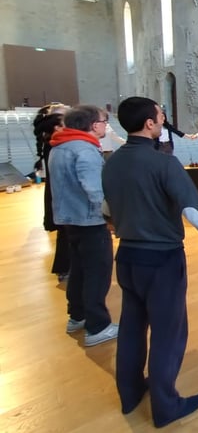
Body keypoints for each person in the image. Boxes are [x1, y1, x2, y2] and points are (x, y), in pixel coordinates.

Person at [102, 97, 198, 428]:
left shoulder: (111, 163)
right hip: (161, 260)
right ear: (150, 124)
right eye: (160, 115)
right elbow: (196, 213)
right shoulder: (164, 164)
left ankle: (131, 393)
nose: (163, 118)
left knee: (133, 327)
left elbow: (107, 211)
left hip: (126, 257)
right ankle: (166, 407)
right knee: (169, 333)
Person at [48, 105, 118, 347]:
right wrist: (113, 219)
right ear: (91, 124)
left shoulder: (59, 147)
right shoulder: (85, 150)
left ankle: (77, 316)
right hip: (89, 221)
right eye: (103, 120)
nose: (104, 125)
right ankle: (97, 326)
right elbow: (96, 192)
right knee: (98, 273)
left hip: (69, 220)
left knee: (78, 271)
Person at [33, 103, 70, 281]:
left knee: (68, 234)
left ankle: (65, 267)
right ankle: (64, 267)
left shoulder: (55, 143)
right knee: (67, 233)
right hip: (65, 194)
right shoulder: (55, 144)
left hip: (61, 193)